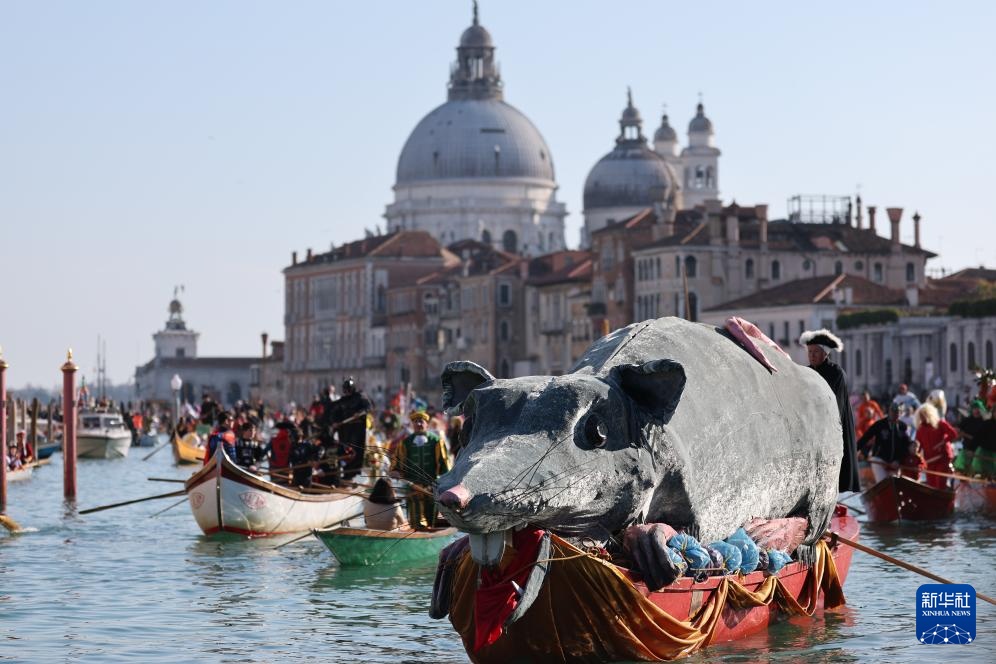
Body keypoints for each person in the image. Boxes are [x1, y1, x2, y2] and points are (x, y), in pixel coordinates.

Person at [800, 329, 860, 492]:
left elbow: (835, 404)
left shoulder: (836, 373)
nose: (811, 355)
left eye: (815, 352)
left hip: (833, 425)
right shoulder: (806, 372)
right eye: (809, 352)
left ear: (825, 353)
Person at [391, 411, 451, 529]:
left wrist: (444, 482)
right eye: (415, 422)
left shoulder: (436, 441)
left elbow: (444, 465)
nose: (418, 424)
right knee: (415, 518)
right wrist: (395, 471)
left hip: (432, 486)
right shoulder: (405, 443)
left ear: (426, 424)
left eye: (421, 421)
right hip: (413, 486)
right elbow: (396, 465)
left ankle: (430, 538)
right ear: (412, 424)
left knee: (431, 517)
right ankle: (417, 536)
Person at [856, 403, 917, 482]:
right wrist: (856, 450)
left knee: (895, 484)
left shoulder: (903, 427)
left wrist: (898, 460)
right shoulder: (879, 424)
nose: (895, 414)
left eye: (897, 412)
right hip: (879, 460)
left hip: (895, 463)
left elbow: (906, 445)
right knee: (883, 483)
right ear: (889, 411)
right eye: (893, 411)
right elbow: (865, 438)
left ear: (901, 413)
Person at [329, 377, 372, 480]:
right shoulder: (342, 401)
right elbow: (334, 412)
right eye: (345, 390)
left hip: (356, 428)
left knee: (355, 449)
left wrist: (359, 413)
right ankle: (346, 472)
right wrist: (334, 422)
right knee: (344, 449)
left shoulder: (360, 397)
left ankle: (354, 472)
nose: (347, 392)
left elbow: (368, 407)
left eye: (348, 389)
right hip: (344, 429)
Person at [913, 403, 958, 490]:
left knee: (940, 484)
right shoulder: (920, 429)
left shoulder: (940, 423)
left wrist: (942, 443)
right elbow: (918, 446)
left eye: (924, 415)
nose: (923, 418)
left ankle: (944, 502)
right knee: (931, 486)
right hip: (929, 462)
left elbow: (953, 434)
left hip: (942, 458)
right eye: (921, 416)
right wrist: (915, 459)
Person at [954, 399, 988, 474]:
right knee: (961, 472)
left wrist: (965, 435)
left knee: (974, 473)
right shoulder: (967, 420)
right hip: (966, 448)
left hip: (978, 452)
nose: (976, 411)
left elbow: (979, 439)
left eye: (978, 408)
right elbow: (957, 431)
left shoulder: (984, 423)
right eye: (974, 408)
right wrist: (958, 432)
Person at [265, 419, 295, 485]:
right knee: (284, 486)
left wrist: (269, 460)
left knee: (274, 485)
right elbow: (293, 456)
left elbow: (265, 451)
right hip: (286, 469)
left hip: (274, 468)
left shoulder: (273, 440)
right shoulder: (291, 442)